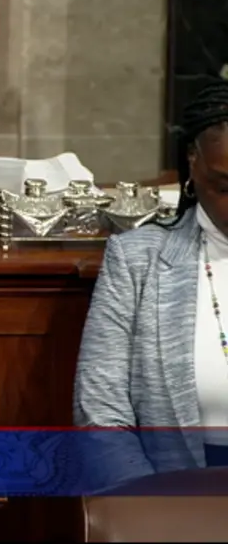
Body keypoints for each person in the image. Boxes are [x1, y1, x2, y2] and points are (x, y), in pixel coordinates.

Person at [74, 80, 228, 489]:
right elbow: (101, 414)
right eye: (225, 187)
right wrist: (151, 506)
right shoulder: (137, 260)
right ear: (193, 163)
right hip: (170, 499)